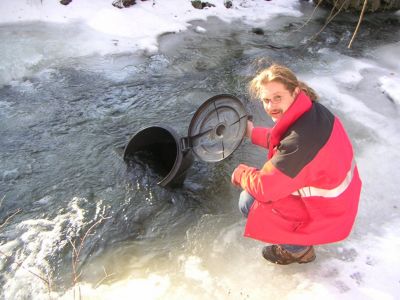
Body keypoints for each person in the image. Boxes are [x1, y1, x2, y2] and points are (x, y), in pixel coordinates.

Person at [231, 64, 362, 265]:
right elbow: (285, 140)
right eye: (266, 100)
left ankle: (299, 251)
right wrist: (252, 133)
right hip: (341, 201)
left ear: (295, 92)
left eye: (277, 97)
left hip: (328, 214)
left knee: (248, 200)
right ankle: (300, 241)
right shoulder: (313, 111)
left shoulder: (300, 142)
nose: (271, 106)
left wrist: (241, 173)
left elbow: (266, 188)